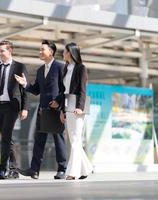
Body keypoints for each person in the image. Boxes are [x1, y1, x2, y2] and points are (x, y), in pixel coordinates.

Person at [14, 40, 66, 179]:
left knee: (58, 139)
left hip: (56, 110)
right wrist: (25, 84)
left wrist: (59, 103)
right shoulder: (39, 71)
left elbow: (65, 89)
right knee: (39, 140)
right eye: (40, 50)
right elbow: (36, 90)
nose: (40, 52)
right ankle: (34, 170)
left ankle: (62, 168)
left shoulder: (60, 68)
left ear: (51, 52)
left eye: (43, 49)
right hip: (42, 110)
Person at [50, 42, 93, 180]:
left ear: (71, 53)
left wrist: (80, 107)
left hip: (78, 109)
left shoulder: (81, 68)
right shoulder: (65, 68)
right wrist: (61, 109)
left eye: (65, 51)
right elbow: (63, 91)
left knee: (75, 139)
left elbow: (82, 90)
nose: (63, 53)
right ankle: (86, 169)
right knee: (74, 140)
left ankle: (73, 172)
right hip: (67, 107)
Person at [0, 40, 28, 179]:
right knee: (7, 138)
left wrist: (25, 108)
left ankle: (2, 168)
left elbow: (24, 89)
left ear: (10, 51)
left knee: (5, 137)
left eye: (2, 51)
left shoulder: (19, 67)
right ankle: (14, 169)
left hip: (13, 106)